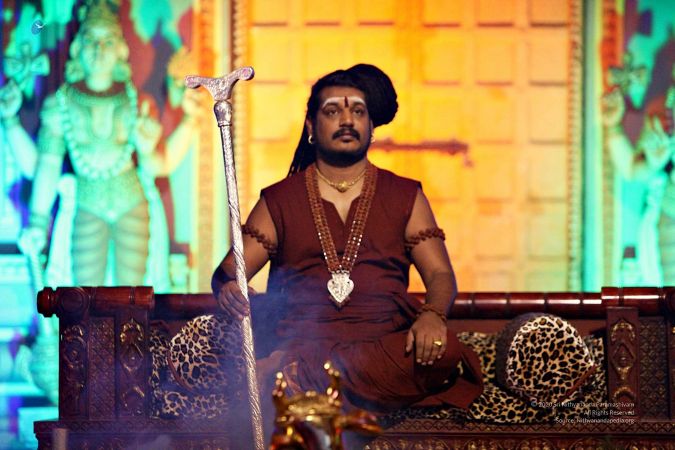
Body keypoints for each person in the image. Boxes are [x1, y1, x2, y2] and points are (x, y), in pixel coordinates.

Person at [211, 64, 483, 418]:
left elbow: (440, 274)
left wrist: (432, 315)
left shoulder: (404, 194)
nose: (347, 120)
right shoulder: (280, 199)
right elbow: (229, 271)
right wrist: (228, 286)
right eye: (332, 111)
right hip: (305, 338)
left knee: (445, 354)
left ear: (371, 127)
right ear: (311, 127)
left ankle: (300, 378)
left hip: (381, 342)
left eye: (358, 111)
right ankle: (323, 380)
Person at [1, 0, 198, 288]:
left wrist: (190, 121)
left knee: (133, 298)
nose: (99, 49)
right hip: (86, 205)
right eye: (91, 40)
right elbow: (44, 167)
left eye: (108, 41)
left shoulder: (137, 102)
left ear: (121, 49)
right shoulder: (61, 104)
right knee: (85, 298)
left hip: (132, 203)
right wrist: (38, 223)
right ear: (76, 48)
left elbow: (160, 164)